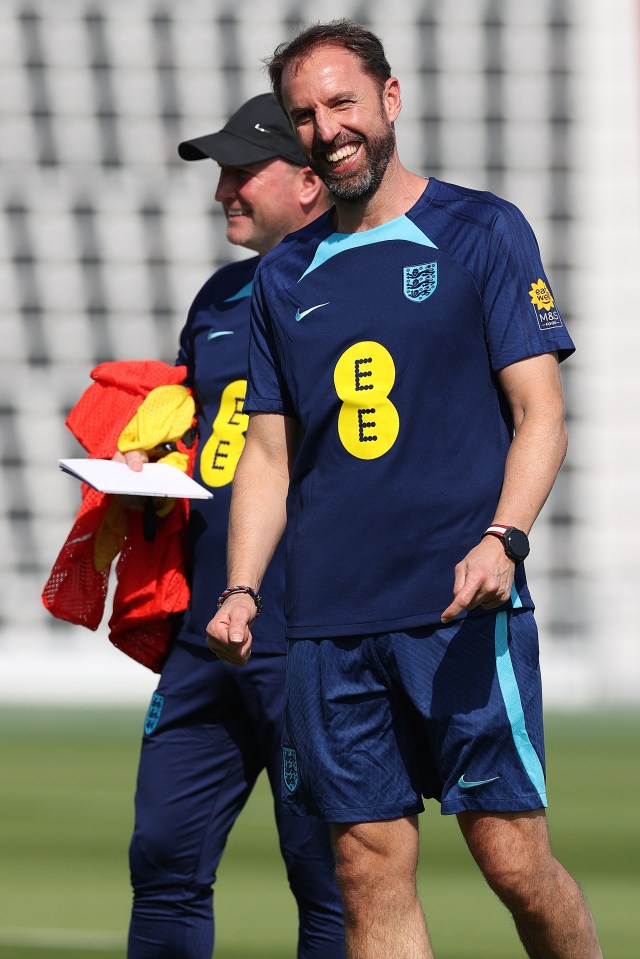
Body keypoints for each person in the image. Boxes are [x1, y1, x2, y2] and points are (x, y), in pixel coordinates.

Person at [205, 21, 603, 959]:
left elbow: (541, 412)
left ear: (389, 100)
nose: (327, 127)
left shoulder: (482, 229)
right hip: (330, 623)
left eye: (342, 102)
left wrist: (504, 537)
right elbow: (266, 454)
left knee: (512, 860)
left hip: (463, 608)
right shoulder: (281, 277)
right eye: (304, 114)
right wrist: (241, 587)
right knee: (365, 867)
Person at [120, 94, 344, 959]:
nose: (223, 191)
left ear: (312, 182)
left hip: (311, 630)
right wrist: (149, 468)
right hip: (206, 626)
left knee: (328, 874)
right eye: (221, 172)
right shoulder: (218, 295)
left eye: (243, 171)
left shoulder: (361, 289)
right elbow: (224, 444)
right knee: (164, 857)